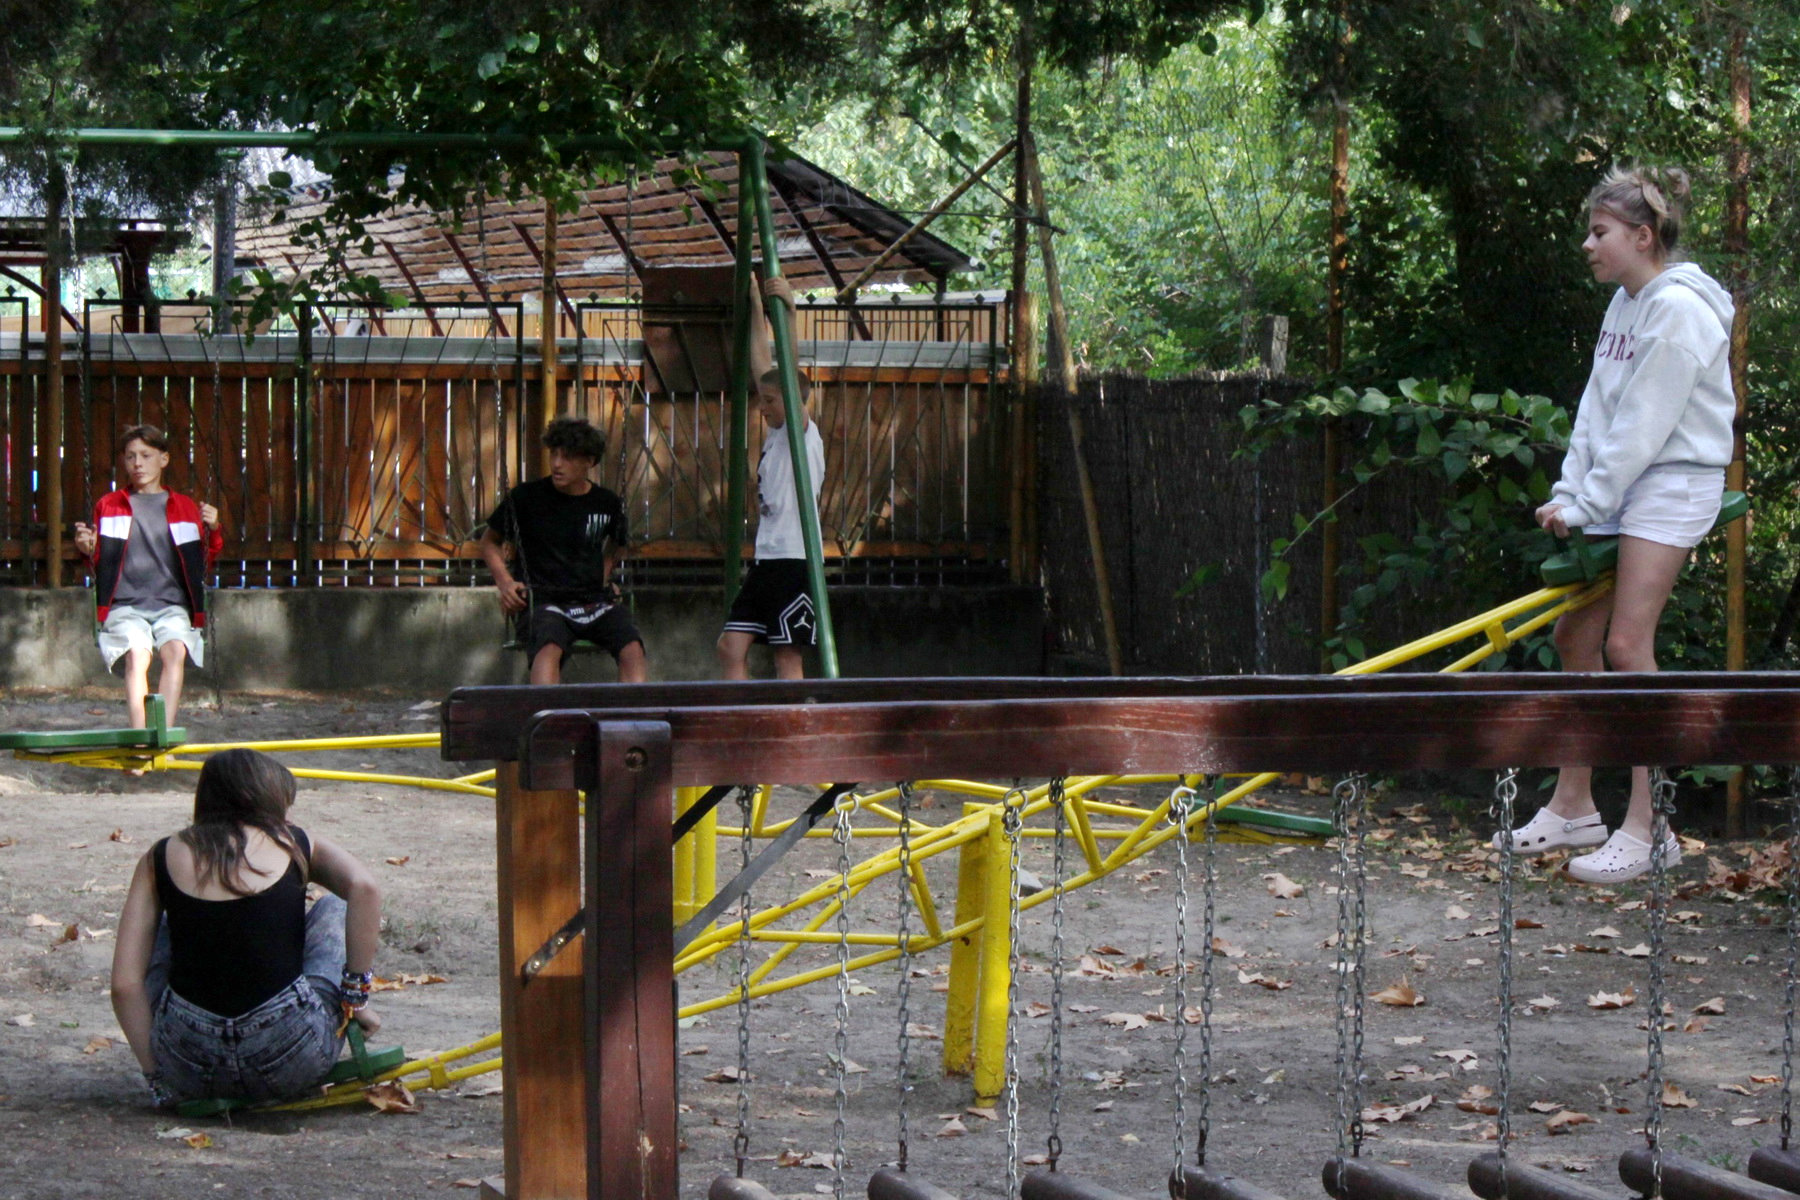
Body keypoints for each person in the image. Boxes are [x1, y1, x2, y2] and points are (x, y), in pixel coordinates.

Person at [1493, 164, 1735, 885]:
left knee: (1628, 646)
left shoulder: (1680, 310)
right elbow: (1599, 411)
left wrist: (1590, 503)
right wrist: (1572, 492)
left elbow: (1644, 425)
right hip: (1625, 484)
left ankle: (1652, 827)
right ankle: (1574, 807)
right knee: (1575, 636)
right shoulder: (1626, 305)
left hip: (1673, 482)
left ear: (1642, 236)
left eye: (1599, 233)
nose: (1588, 245)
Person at [109, 749, 382, 1107]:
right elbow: (365, 888)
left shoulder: (159, 857)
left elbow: (124, 985)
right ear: (270, 800)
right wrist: (356, 997)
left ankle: (167, 1076)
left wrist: (159, 1077)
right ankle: (354, 1001)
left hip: (190, 1065)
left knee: (160, 927)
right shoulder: (295, 842)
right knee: (333, 907)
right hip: (293, 1055)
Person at [72, 424, 223, 731]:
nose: (137, 464)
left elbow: (203, 560)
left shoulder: (184, 507)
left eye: (145, 455)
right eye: (130, 457)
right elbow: (100, 561)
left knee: (175, 651)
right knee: (137, 656)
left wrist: (215, 529)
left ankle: (161, 736)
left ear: (163, 459)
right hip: (124, 605)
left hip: (172, 605)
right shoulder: (110, 505)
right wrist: (87, 547)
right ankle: (141, 738)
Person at [480, 415, 646, 685]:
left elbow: (617, 545)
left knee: (632, 646)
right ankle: (547, 709)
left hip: (592, 601)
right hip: (543, 602)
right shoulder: (527, 498)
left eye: (567, 457)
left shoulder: (606, 503)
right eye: (554, 454)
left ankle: (634, 709)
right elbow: (489, 541)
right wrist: (506, 583)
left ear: (589, 461)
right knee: (549, 646)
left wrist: (604, 577)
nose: (557, 464)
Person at [717, 364, 827, 680]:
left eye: (770, 401)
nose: (762, 408)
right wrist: (755, 326)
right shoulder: (776, 435)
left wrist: (788, 325)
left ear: (792, 401)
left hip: (794, 559)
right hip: (767, 559)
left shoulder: (802, 434)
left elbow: (788, 376)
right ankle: (741, 708)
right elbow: (763, 365)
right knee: (730, 647)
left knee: (787, 653)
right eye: (761, 400)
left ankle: (794, 711)